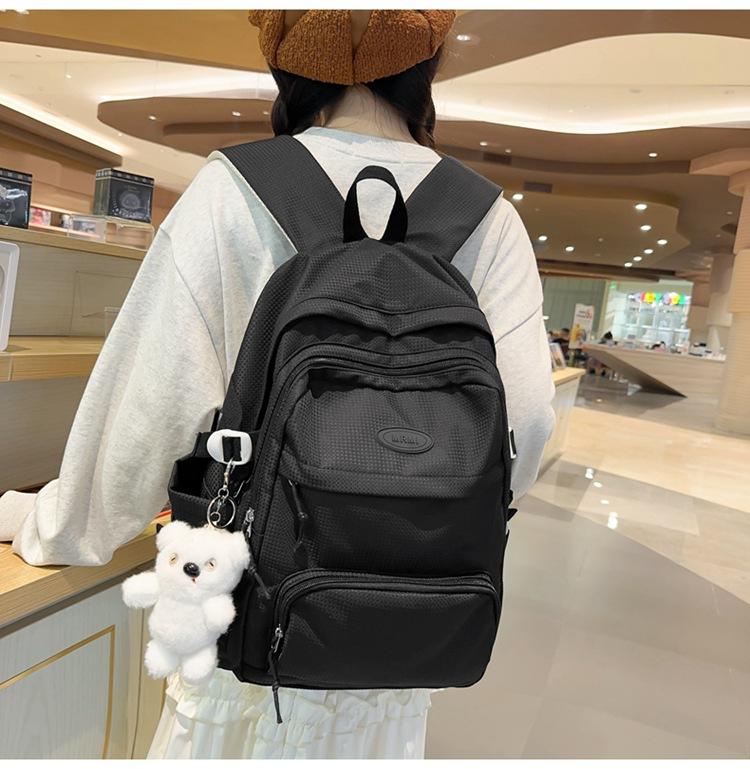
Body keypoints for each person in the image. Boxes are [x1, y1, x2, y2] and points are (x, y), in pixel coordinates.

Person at [0, 10, 555, 759]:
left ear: (289, 65)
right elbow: (527, 425)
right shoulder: (489, 218)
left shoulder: (236, 190)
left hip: (253, 626)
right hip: (406, 636)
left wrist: (51, 524)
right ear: (426, 63)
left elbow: (145, 413)